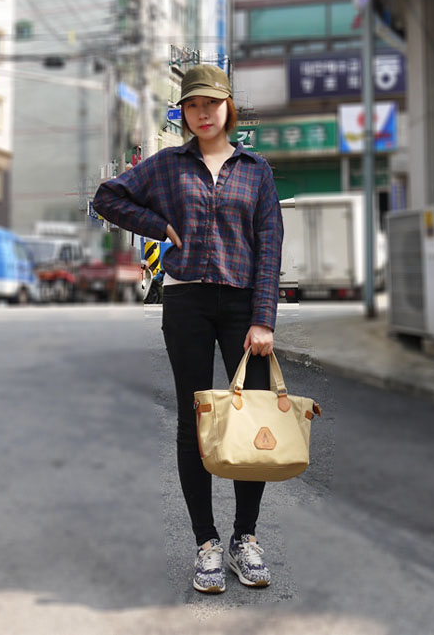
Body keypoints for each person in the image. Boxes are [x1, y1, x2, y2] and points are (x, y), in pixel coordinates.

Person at [92, 64, 284, 594]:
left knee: (252, 419)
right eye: (193, 105)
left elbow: (269, 246)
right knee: (194, 420)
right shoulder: (166, 167)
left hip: (244, 304)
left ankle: (245, 537)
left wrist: (263, 318)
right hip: (186, 303)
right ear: (183, 112)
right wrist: (158, 225)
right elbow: (107, 197)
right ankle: (206, 543)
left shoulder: (256, 171)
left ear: (228, 108)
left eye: (211, 103)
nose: (203, 113)